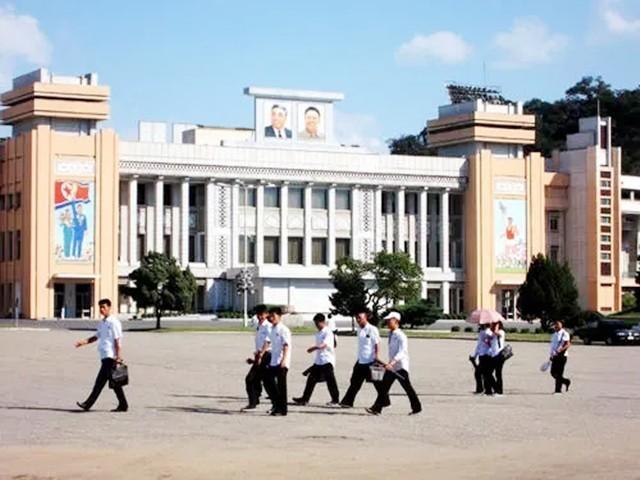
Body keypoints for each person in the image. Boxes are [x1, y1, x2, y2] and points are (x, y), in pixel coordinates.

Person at [75, 298, 128, 412]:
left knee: (100, 382)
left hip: (111, 356)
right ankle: (123, 405)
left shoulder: (114, 322)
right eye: (100, 307)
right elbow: (96, 336)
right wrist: (83, 342)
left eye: (104, 307)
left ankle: (87, 404)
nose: (101, 309)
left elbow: (118, 341)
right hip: (104, 355)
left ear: (109, 307)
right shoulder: (102, 323)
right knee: (115, 382)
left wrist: (118, 357)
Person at [366, 312, 421, 415]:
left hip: (401, 367)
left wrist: (392, 362)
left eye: (389, 320)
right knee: (383, 387)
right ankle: (377, 408)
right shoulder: (391, 334)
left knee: (408, 388)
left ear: (396, 321)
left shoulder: (401, 336)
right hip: (392, 367)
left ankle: (417, 407)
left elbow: (402, 352)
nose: (387, 322)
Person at [339, 309, 389, 408]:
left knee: (378, 383)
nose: (358, 320)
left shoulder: (372, 329)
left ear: (366, 318)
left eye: (360, 318)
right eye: (357, 318)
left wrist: (377, 356)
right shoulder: (359, 330)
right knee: (354, 382)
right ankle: (347, 402)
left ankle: (385, 401)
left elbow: (377, 343)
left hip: (370, 361)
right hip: (361, 361)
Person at [293, 313, 339, 406]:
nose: (316, 326)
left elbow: (324, 344)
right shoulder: (318, 333)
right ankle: (304, 399)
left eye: (317, 324)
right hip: (319, 361)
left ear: (323, 322)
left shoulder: (328, 332)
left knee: (331, 381)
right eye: (315, 324)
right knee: (311, 379)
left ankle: (335, 399)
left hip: (327, 360)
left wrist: (313, 348)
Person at [262, 306, 292, 416]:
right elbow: (269, 342)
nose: (271, 318)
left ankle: (282, 410)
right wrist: (261, 354)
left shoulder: (283, 329)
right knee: (267, 380)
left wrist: (284, 360)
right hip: (274, 361)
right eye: (270, 316)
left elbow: (286, 345)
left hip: (282, 362)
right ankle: (276, 404)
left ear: (279, 316)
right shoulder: (272, 328)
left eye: (273, 316)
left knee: (281, 387)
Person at [243, 304, 272, 410]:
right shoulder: (258, 326)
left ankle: (276, 404)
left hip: (267, 355)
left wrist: (260, 356)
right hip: (259, 355)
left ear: (266, 314)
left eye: (262, 314)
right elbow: (259, 343)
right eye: (258, 314)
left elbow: (268, 342)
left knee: (267, 381)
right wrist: (254, 358)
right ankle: (254, 401)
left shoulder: (268, 326)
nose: (260, 316)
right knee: (251, 379)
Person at [472, 322, 494, 395]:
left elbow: (491, 343)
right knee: (482, 373)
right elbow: (479, 345)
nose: (479, 325)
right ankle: (485, 389)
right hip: (482, 354)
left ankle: (485, 389)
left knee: (481, 373)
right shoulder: (482, 332)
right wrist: (475, 355)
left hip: (486, 354)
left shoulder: (488, 332)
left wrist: (474, 355)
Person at [549, 320, 572, 394]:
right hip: (554, 356)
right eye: (555, 325)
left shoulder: (564, 334)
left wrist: (560, 350)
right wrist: (551, 355)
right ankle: (566, 381)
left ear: (561, 325)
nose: (556, 326)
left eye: (558, 325)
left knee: (559, 373)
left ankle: (558, 390)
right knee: (553, 372)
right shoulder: (554, 335)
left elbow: (567, 344)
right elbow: (552, 346)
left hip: (562, 356)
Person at [489, 321, 506, 395]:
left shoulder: (501, 332)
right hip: (493, 355)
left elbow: (496, 332)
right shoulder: (493, 334)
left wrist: (496, 326)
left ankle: (499, 391)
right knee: (489, 373)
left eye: (495, 324)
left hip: (499, 355)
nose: (493, 325)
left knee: (498, 374)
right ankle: (496, 389)